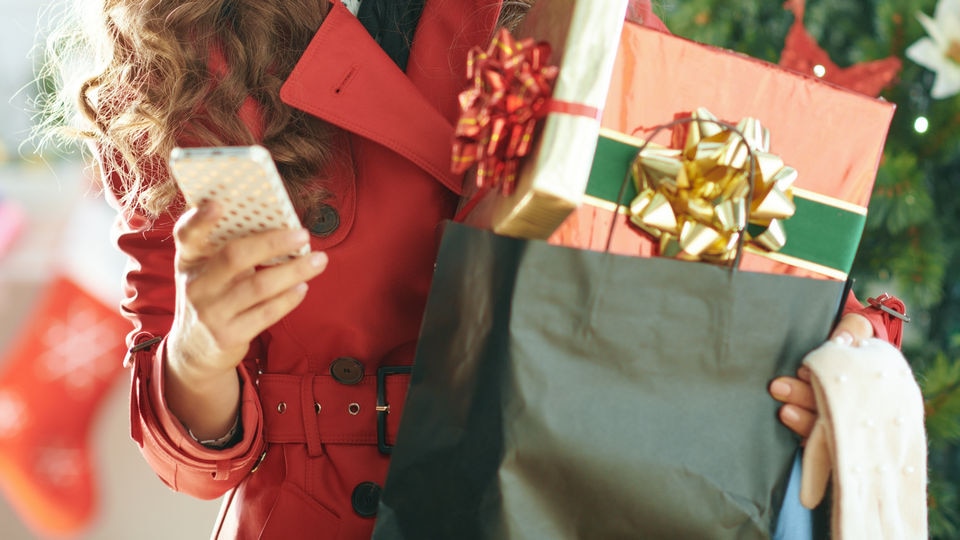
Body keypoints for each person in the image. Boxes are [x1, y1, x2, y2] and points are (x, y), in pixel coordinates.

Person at [42, 0, 905, 538]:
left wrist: (843, 343)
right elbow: (189, 464)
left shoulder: (574, 9)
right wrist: (198, 355)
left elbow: (679, 208)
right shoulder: (185, 46)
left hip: (540, 498)